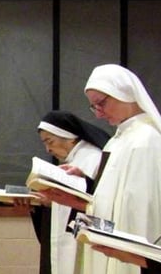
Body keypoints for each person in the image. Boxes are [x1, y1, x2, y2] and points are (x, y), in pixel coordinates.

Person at [41, 64, 161, 274]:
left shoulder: (146, 140)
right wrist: (83, 188)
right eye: (93, 107)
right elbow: (111, 202)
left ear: (124, 92)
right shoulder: (117, 141)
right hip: (110, 248)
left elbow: (141, 210)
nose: (98, 114)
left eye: (101, 103)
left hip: (130, 254)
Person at [19, 110, 110, 274]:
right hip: (70, 239)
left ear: (69, 137)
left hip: (83, 243)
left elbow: (99, 210)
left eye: (50, 141)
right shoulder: (76, 159)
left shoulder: (93, 159)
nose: (48, 149)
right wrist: (40, 205)